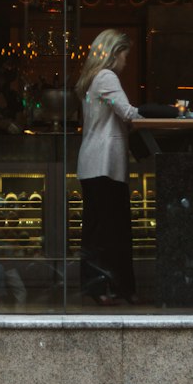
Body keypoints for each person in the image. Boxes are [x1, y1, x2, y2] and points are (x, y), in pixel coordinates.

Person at [75, 29, 140, 307]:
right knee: (113, 230)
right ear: (115, 54)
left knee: (95, 229)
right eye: (125, 56)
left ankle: (99, 287)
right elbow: (127, 112)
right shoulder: (107, 77)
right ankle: (115, 288)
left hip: (91, 163)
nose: (126, 62)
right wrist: (162, 114)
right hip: (105, 164)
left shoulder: (90, 79)